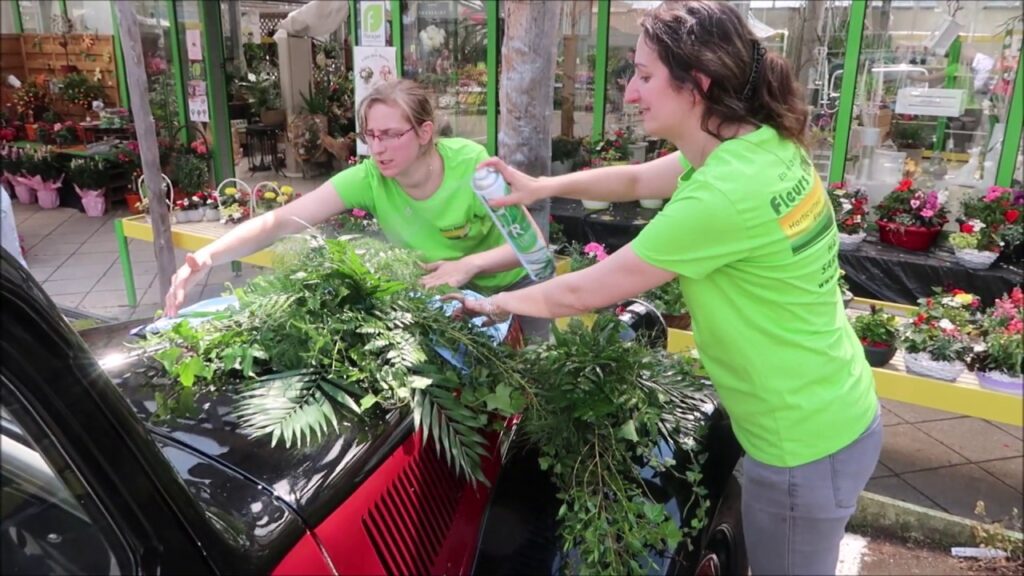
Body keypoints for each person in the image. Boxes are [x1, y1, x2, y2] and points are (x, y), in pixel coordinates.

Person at [447, 2, 880, 574]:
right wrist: (538, 186)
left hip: (802, 446)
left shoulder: (724, 196)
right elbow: (634, 179)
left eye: (645, 75)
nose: (629, 93)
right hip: (832, 410)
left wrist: (490, 301)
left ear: (697, 84)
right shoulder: (756, 144)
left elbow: (581, 292)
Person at [164, 79, 548, 339]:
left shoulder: (472, 165)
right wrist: (206, 257)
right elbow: (279, 221)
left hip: (511, 291)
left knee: (527, 400)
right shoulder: (368, 178)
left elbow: (534, 246)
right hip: (442, 302)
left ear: (424, 132)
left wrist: (471, 264)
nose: (377, 148)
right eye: (371, 136)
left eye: (391, 135)